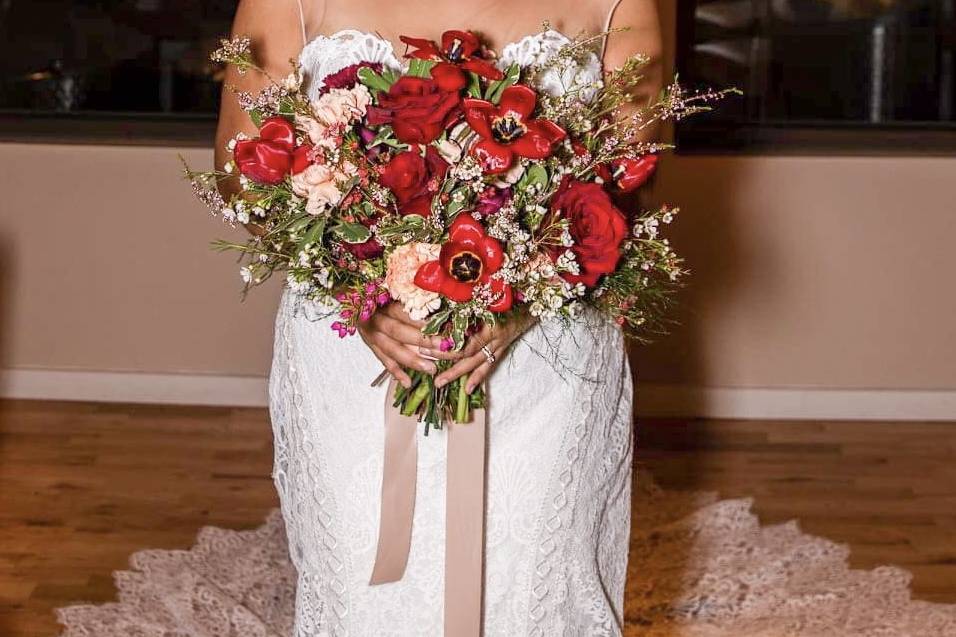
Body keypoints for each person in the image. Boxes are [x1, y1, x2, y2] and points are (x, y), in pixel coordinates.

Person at [214, 1, 662, 634]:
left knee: (537, 583)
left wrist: (522, 294)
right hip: (353, 354)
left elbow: (632, 181)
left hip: (547, 358)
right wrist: (361, 289)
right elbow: (240, 173)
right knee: (358, 587)